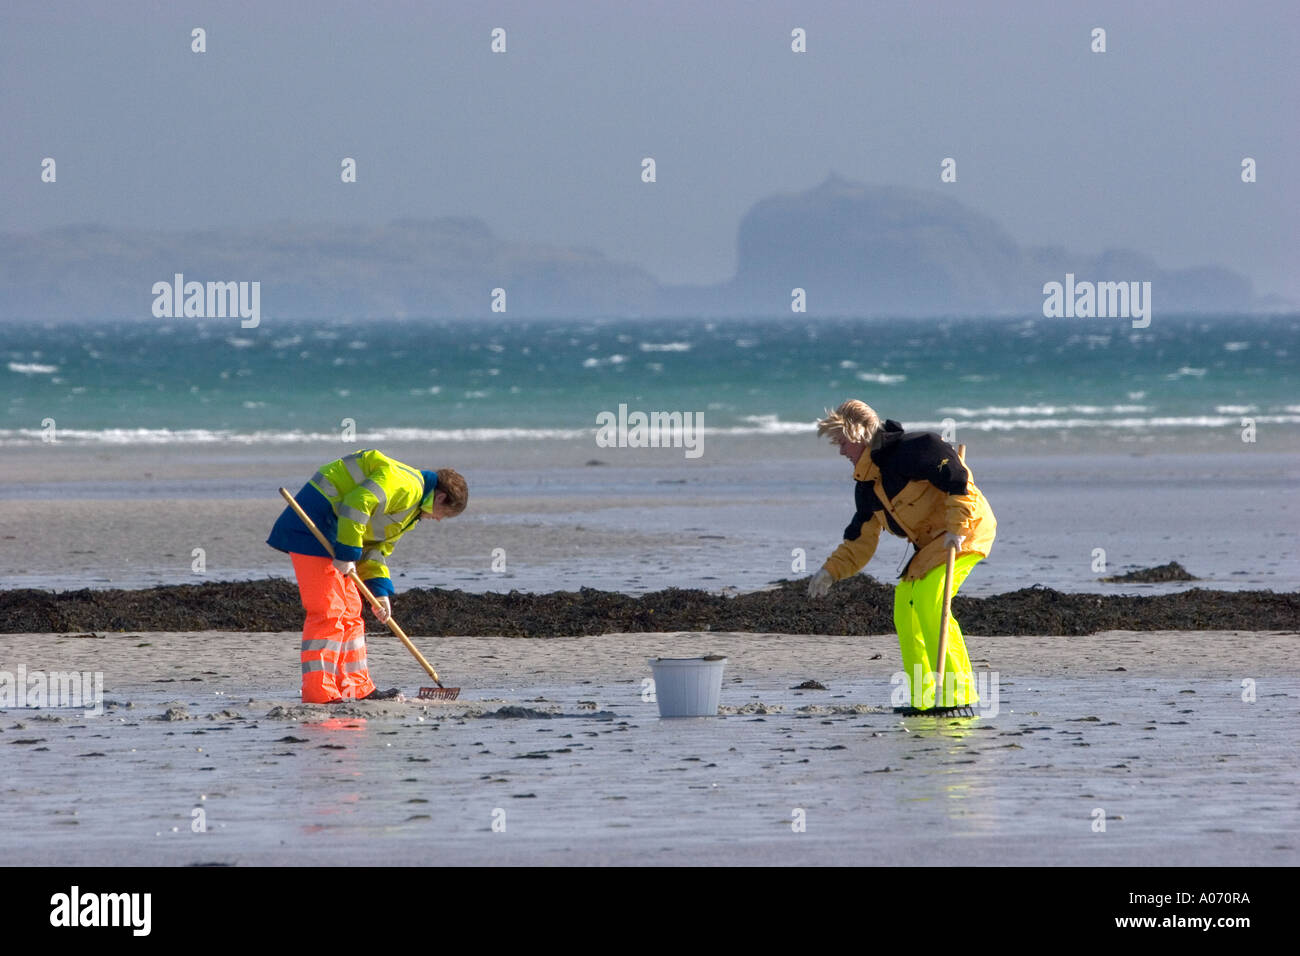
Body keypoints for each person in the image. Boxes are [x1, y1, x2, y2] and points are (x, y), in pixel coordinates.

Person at [806, 400, 995, 713]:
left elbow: (959, 480)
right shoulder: (867, 487)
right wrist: (830, 571)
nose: (840, 452)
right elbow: (860, 542)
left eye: (842, 443)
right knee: (904, 608)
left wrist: (958, 528)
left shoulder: (915, 448)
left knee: (930, 602)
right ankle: (925, 700)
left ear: (858, 436)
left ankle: (960, 697)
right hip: (930, 546)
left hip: (965, 531)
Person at [266, 450, 468, 703]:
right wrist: (348, 553)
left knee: (351, 610)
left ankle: (356, 687)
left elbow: (375, 548)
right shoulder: (406, 485)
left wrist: (380, 593)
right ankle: (320, 693)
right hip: (312, 527)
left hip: (338, 536)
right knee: (328, 610)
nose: (438, 520)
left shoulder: (411, 513)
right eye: (443, 514)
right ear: (440, 497)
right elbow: (357, 502)